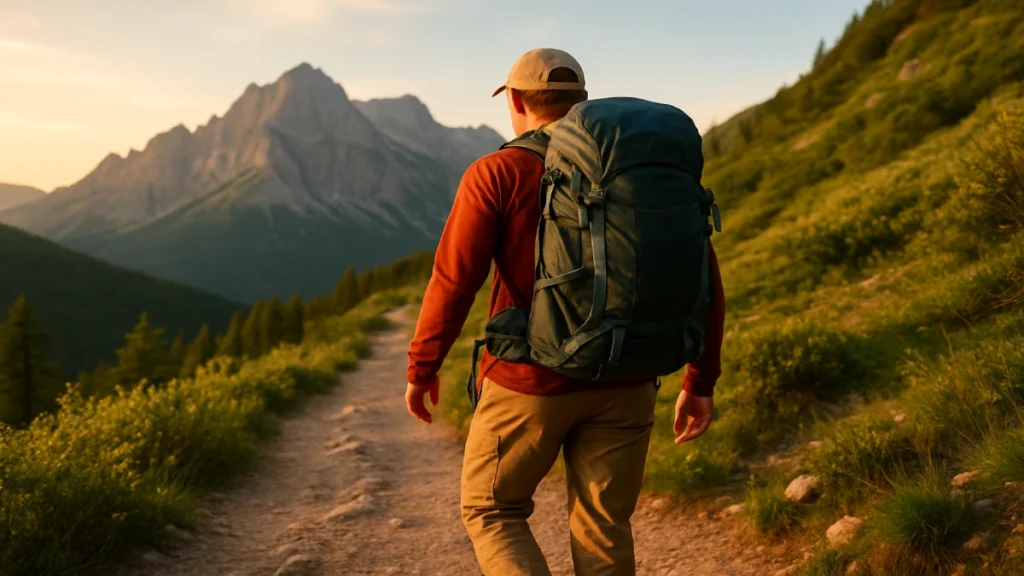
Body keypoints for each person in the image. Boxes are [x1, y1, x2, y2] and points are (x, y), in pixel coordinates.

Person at [405, 48, 726, 576]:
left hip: (531, 382)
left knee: (494, 509)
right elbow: (703, 279)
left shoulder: (498, 171)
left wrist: (423, 367)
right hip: (629, 376)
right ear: (582, 101)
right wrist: (701, 379)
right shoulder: (636, 174)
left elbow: (454, 281)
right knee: (605, 525)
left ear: (515, 100)